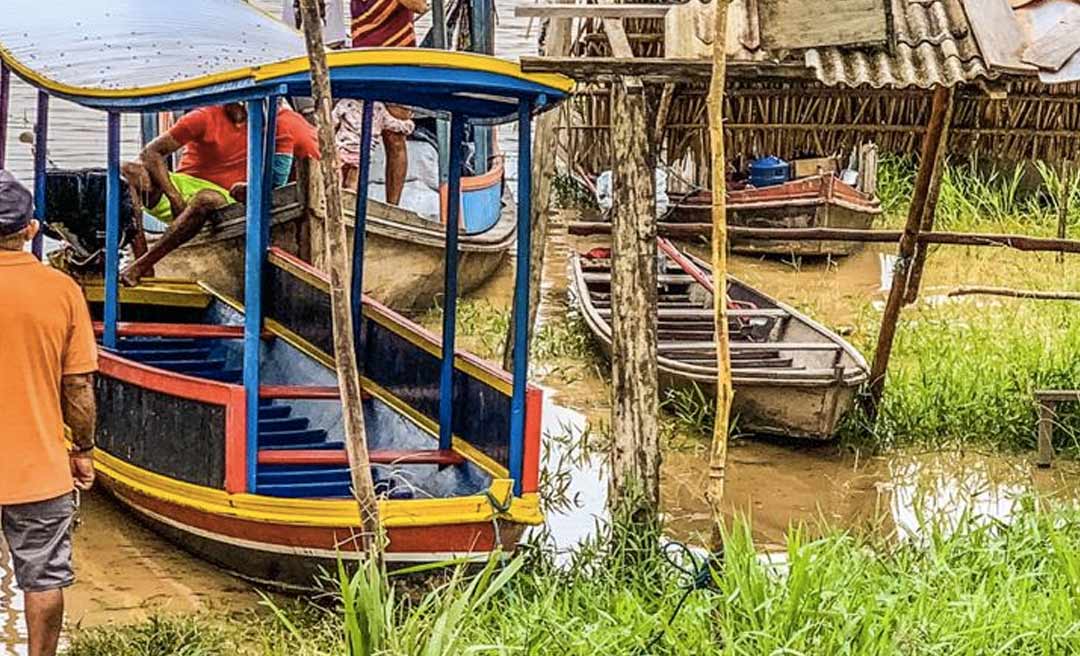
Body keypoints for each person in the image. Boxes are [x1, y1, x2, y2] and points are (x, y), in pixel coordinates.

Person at [0, 170, 97, 656]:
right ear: (31, 230)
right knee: (43, 578)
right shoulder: (61, 291)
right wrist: (83, 450)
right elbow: (77, 385)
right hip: (38, 467)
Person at [121, 103, 292, 286]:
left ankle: (141, 265)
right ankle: (143, 263)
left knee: (206, 198)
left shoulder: (276, 124)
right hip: (184, 187)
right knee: (127, 170)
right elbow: (150, 152)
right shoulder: (203, 116)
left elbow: (278, 180)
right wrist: (174, 196)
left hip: (227, 197)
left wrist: (250, 189)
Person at [346, 0, 429, 204]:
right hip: (363, 61)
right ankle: (350, 198)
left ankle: (393, 206)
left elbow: (420, 6)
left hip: (397, 65)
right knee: (357, 134)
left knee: (395, 138)